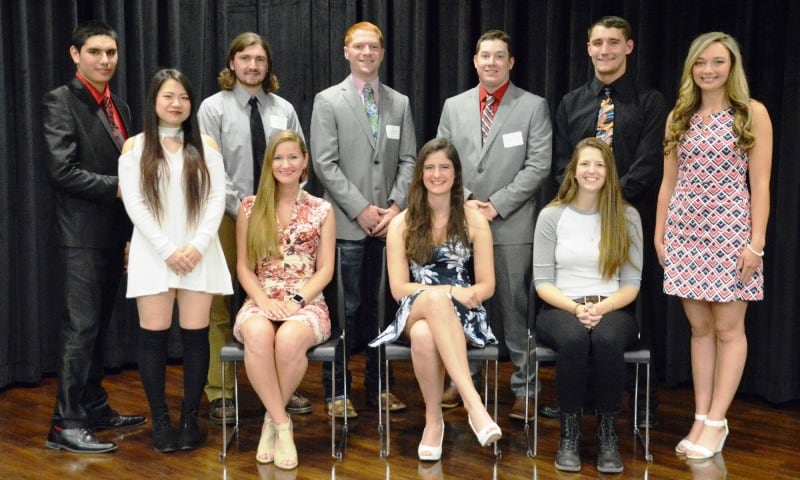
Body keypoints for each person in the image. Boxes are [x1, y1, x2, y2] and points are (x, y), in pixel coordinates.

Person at [544, 15, 667, 428]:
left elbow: (650, 163)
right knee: (578, 321)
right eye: (598, 43)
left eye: (614, 43)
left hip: (629, 215)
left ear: (628, 47)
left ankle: (638, 401)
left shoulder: (649, 102)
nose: (605, 50)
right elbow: (564, 161)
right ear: (588, 48)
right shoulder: (571, 102)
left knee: (630, 307)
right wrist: (584, 200)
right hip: (576, 213)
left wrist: (611, 203)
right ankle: (576, 400)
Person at [655, 32, 772, 461]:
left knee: (728, 330)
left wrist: (755, 244)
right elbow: (669, 181)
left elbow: (760, 185)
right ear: (691, 68)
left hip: (731, 235)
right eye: (701, 63)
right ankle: (701, 415)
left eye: (717, 62)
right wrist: (659, 233)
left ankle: (718, 420)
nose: (708, 70)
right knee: (700, 329)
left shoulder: (751, 114)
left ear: (732, 66)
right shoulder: (679, 117)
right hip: (685, 232)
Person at [436, 29, 552, 420]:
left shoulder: (533, 106)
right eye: (485, 55)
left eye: (499, 56)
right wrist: (466, 201)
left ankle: (526, 387)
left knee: (516, 309)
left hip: (511, 225)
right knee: (462, 307)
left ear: (510, 62)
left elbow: (539, 165)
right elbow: (441, 159)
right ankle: (462, 379)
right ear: (475, 60)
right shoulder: (454, 106)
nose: (491, 62)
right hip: (461, 224)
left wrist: (497, 205)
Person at [42, 20, 146, 454]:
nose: (105, 60)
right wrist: (116, 187)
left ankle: (93, 405)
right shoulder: (60, 102)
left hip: (111, 237)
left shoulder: (117, 104)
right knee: (80, 330)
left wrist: (129, 235)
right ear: (75, 54)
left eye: (111, 53)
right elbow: (60, 169)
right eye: (96, 52)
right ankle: (64, 425)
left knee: (100, 330)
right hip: (80, 239)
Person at [198, 32, 311, 423]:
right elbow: (211, 171)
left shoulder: (284, 109)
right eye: (244, 58)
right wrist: (246, 209)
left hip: (279, 220)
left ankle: (283, 388)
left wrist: (284, 210)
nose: (252, 66)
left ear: (268, 65)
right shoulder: (212, 110)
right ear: (232, 63)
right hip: (226, 218)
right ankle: (220, 391)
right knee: (220, 305)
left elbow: (297, 161)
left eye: (260, 59)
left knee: (278, 296)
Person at [118, 68, 233, 452]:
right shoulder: (134, 147)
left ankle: (189, 419)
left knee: (196, 336)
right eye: (168, 96)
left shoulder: (206, 146)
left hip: (199, 253)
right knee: (153, 337)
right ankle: (160, 421)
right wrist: (168, 250)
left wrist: (197, 245)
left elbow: (217, 200)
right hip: (154, 254)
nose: (176, 104)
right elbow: (134, 204)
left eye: (183, 97)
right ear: (154, 101)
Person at [369, 137, 501, 460]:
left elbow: (487, 285)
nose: (437, 174)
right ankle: (473, 404)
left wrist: (467, 294)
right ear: (420, 175)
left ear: (456, 174)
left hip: (464, 313)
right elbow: (399, 289)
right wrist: (449, 291)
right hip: (415, 306)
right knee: (435, 303)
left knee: (427, 336)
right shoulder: (402, 223)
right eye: (430, 168)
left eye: (444, 167)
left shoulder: (475, 220)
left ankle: (433, 421)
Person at [310, 21, 416, 418]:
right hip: (347, 225)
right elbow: (324, 163)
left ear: (382, 52)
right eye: (359, 46)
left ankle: (380, 386)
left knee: (383, 309)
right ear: (346, 51)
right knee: (346, 309)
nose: (367, 53)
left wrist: (393, 206)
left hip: (389, 227)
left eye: (373, 46)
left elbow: (409, 159)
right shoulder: (328, 101)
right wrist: (360, 208)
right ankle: (337, 390)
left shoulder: (399, 102)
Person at [533, 137, 643, 473]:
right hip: (560, 307)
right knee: (576, 339)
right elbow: (542, 283)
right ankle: (570, 434)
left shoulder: (626, 216)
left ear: (609, 172)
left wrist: (601, 308)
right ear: (574, 171)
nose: (591, 170)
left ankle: (608, 436)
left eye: (599, 164)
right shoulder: (552, 215)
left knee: (608, 340)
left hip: (613, 307)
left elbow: (631, 286)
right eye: (585, 164)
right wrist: (576, 309)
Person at [234, 130, 335, 469]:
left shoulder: (321, 209)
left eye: (293, 157)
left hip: (306, 300)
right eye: (278, 158)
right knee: (259, 334)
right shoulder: (249, 207)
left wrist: (296, 301)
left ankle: (269, 420)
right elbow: (244, 268)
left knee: (290, 338)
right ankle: (282, 423)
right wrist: (262, 300)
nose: (286, 164)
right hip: (261, 297)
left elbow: (325, 270)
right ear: (269, 163)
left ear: (305, 161)